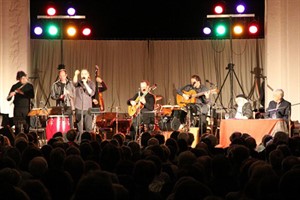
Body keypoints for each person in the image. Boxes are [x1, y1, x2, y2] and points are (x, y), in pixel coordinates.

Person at [73, 69, 95, 141]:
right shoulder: (78, 83)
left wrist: (85, 83)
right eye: (82, 74)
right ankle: (79, 142)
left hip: (88, 109)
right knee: (80, 129)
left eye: (85, 73)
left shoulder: (91, 83)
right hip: (79, 108)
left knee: (88, 128)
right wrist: (76, 74)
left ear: (88, 75)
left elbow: (91, 93)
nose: (83, 75)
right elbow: (74, 82)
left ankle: (89, 143)